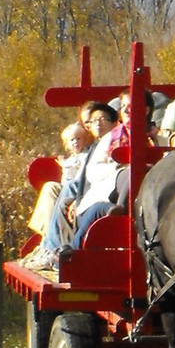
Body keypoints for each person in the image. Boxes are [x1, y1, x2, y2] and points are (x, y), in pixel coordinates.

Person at [22, 102, 118, 271]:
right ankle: (48, 245)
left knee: (67, 190)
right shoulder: (97, 145)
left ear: (114, 122)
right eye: (91, 121)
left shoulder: (110, 143)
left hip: (101, 195)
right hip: (89, 192)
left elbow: (99, 177)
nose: (96, 124)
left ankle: (53, 249)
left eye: (102, 119)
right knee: (53, 189)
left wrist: (79, 201)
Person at [26, 121, 94, 235]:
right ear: (67, 144)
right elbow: (66, 179)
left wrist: (67, 166)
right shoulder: (71, 159)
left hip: (79, 189)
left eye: (78, 139)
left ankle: (48, 233)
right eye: (72, 140)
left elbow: (80, 176)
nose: (75, 142)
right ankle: (47, 232)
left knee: (51, 188)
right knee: (49, 187)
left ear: (84, 140)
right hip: (68, 187)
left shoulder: (86, 156)